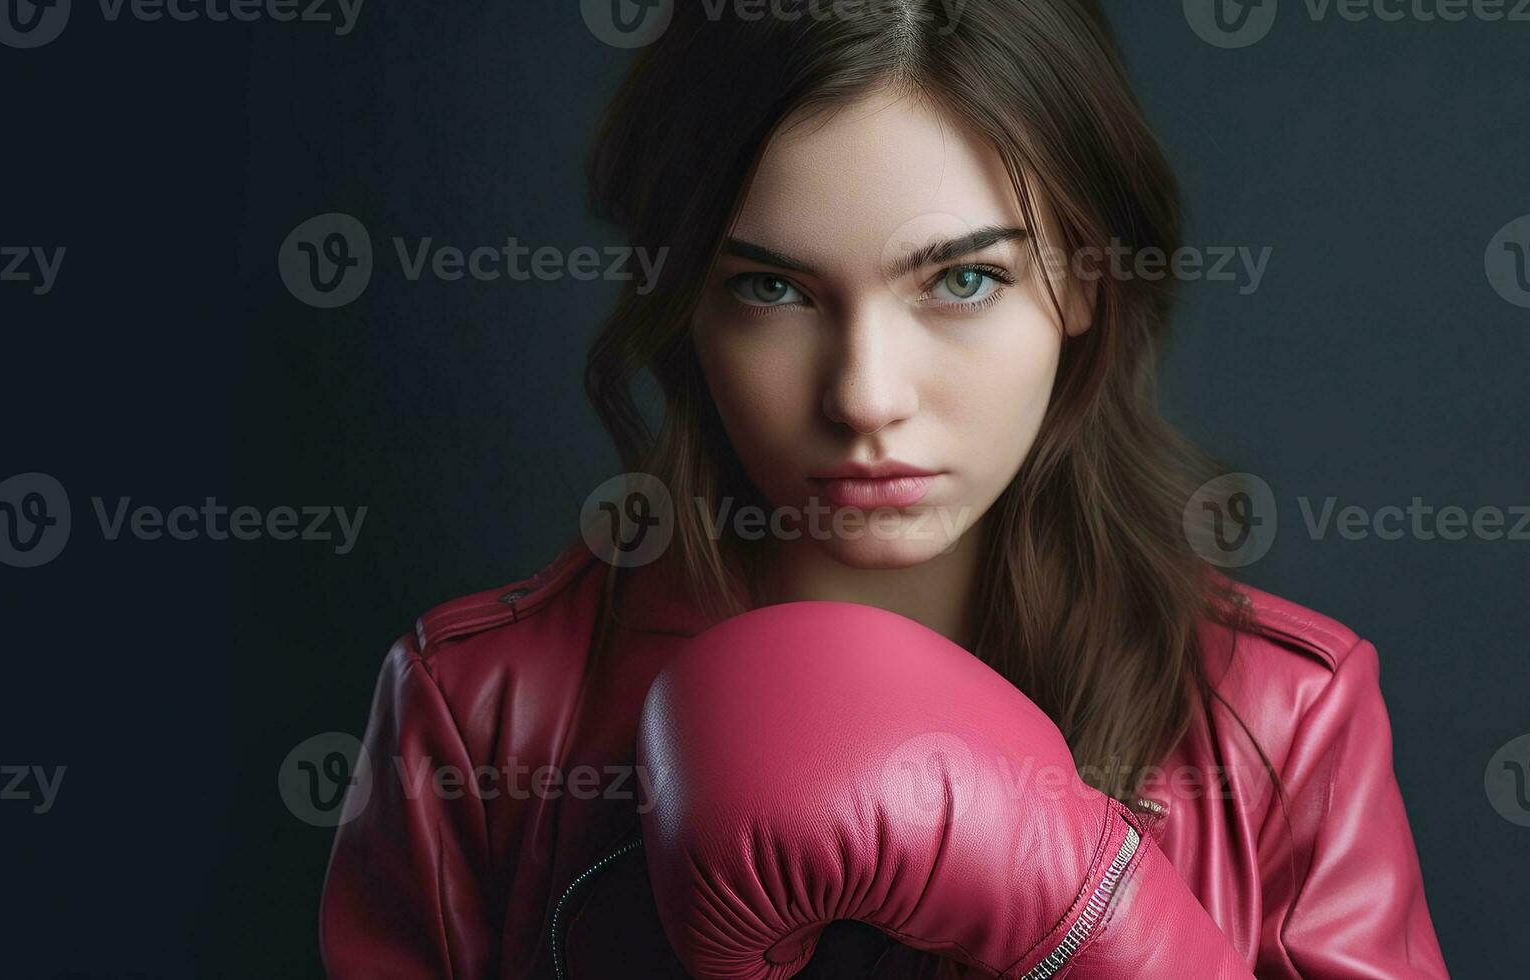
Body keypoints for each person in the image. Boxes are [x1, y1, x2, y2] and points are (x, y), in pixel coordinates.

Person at [320, 1, 1451, 976]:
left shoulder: (1280, 718)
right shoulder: (475, 719)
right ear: (684, 304)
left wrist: (1099, 920)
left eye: (962, 278)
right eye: (771, 287)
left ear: (1083, 287)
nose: (865, 395)